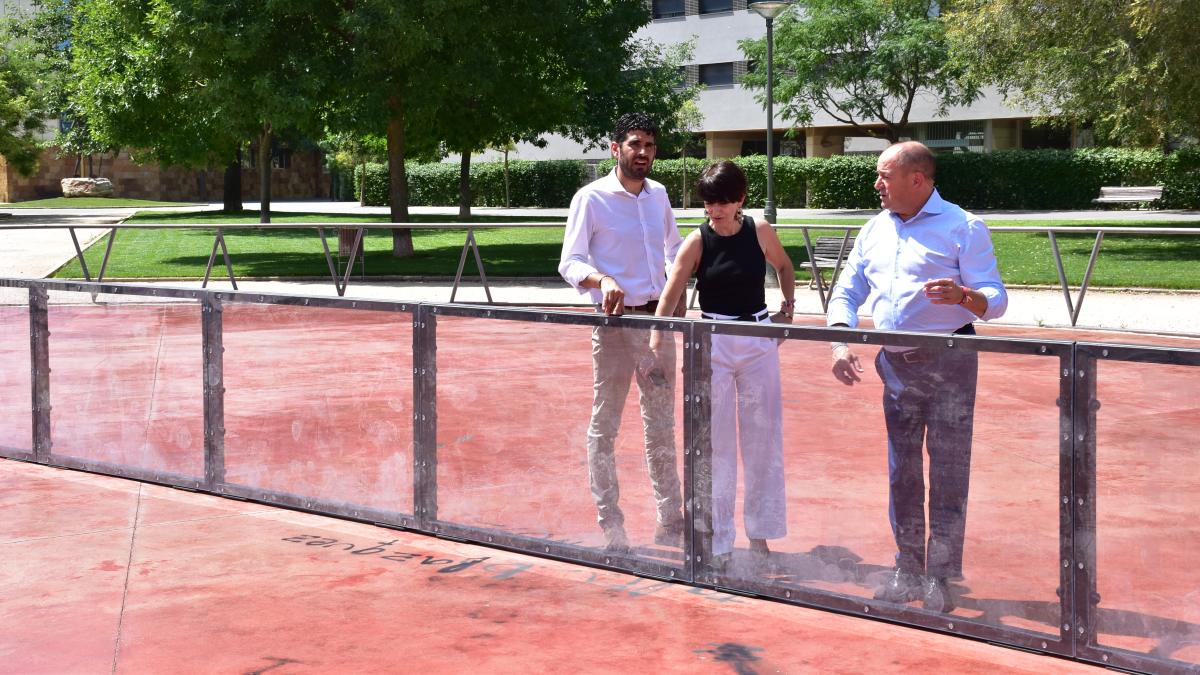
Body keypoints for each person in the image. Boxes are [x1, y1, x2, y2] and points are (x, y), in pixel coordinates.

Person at [827, 141, 1008, 613]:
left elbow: (995, 298)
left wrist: (965, 295)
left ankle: (941, 578)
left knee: (948, 472)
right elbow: (847, 290)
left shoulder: (962, 227)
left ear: (918, 180)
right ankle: (908, 568)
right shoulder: (873, 230)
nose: (877, 184)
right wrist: (840, 341)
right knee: (901, 473)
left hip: (950, 361)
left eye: (885, 175)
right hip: (896, 366)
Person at [651, 160, 795, 569]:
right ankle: (719, 540)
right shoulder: (696, 241)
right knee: (716, 446)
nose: (715, 210)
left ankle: (762, 535)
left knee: (763, 438)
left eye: (723, 202)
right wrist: (656, 340)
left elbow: (784, 266)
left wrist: (788, 309)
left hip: (758, 339)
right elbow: (671, 290)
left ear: (740, 200)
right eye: (709, 203)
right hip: (712, 342)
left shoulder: (760, 231)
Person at [558, 112, 685, 553]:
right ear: (615, 149)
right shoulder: (591, 198)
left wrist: (677, 283)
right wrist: (601, 280)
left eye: (649, 145)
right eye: (634, 144)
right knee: (604, 426)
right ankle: (611, 523)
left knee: (662, 424)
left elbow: (674, 249)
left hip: (656, 327)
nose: (643, 152)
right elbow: (569, 261)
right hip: (612, 326)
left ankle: (671, 520)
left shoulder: (659, 196)